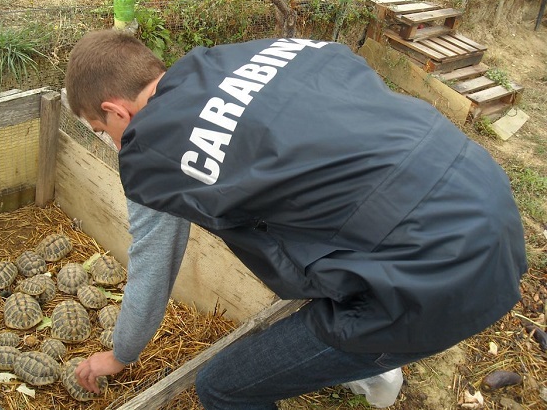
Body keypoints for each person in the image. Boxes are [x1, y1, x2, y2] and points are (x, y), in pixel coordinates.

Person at [65, 29, 527, 409]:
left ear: (115, 110)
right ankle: (372, 359)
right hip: (484, 195)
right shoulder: (259, 52)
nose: (115, 144)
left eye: (102, 132)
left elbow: (152, 266)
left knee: (223, 388)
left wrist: (120, 355)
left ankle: (377, 351)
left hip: (442, 277)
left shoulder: (152, 153)